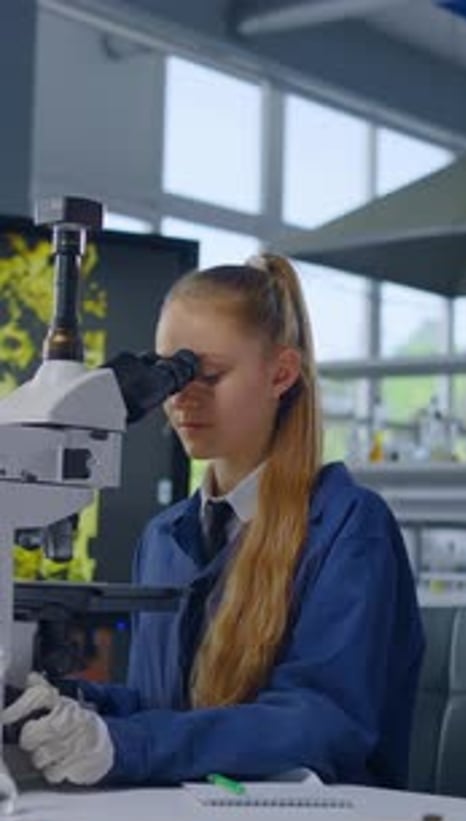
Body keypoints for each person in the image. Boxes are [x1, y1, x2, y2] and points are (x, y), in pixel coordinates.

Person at [3, 254, 424, 789]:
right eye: (169, 375)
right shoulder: (165, 537)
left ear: (282, 374)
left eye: (209, 374)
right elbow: (164, 707)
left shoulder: (348, 527)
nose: (182, 398)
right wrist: (65, 706)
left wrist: (126, 745)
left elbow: (322, 723)